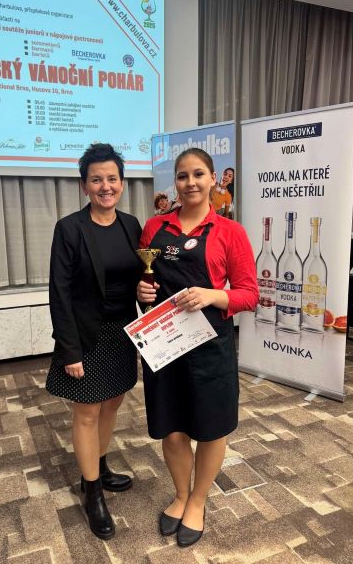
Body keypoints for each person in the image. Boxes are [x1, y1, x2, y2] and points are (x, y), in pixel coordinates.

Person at [137, 148, 258, 547]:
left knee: (210, 428)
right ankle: (180, 494)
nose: (190, 182)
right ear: (175, 181)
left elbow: (249, 294)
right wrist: (142, 292)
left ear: (212, 179)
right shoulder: (154, 227)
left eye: (198, 174)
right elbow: (147, 283)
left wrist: (212, 295)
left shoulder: (230, 231)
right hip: (164, 345)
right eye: (183, 175)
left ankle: (198, 500)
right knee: (171, 430)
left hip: (210, 347)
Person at [46, 143, 142, 540]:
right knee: (87, 412)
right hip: (87, 335)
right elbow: (59, 292)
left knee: (113, 402)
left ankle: (100, 468)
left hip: (122, 332)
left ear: (122, 183)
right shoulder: (70, 228)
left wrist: (144, 291)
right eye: (97, 179)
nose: (106, 186)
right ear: (84, 185)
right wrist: (69, 349)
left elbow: (137, 276)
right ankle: (92, 492)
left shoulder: (132, 225)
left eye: (112, 179)